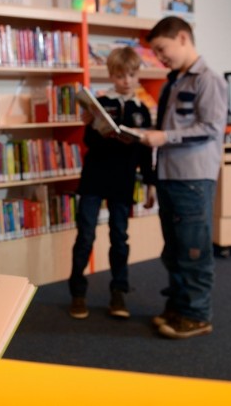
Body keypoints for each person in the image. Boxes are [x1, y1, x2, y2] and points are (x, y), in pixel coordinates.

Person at [141, 16, 228, 339]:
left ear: (182, 38)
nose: (161, 57)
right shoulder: (172, 82)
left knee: (194, 250)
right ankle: (179, 306)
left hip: (192, 178)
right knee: (174, 250)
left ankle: (197, 315)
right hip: (168, 176)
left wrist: (164, 138)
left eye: (162, 49)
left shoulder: (209, 80)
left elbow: (209, 129)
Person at [68, 46, 156, 320]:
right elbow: (89, 143)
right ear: (111, 76)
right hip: (95, 177)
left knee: (120, 237)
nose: (126, 81)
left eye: (131, 75)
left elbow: (145, 152)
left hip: (123, 181)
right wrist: (92, 125)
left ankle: (119, 293)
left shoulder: (142, 110)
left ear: (137, 75)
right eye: (120, 76)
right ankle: (78, 293)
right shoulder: (101, 103)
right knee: (86, 236)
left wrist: (150, 184)